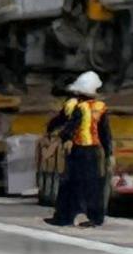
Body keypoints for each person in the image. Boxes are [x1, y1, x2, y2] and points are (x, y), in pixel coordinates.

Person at [46, 71, 113, 228]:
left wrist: (64, 137)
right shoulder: (101, 107)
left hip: (79, 151)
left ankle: (64, 217)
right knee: (94, 185)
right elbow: (105, 133)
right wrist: (109, 154)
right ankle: (95, 218)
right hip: (95, 151)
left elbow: (70, 125)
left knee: (69, 184)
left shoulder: (78, 106)